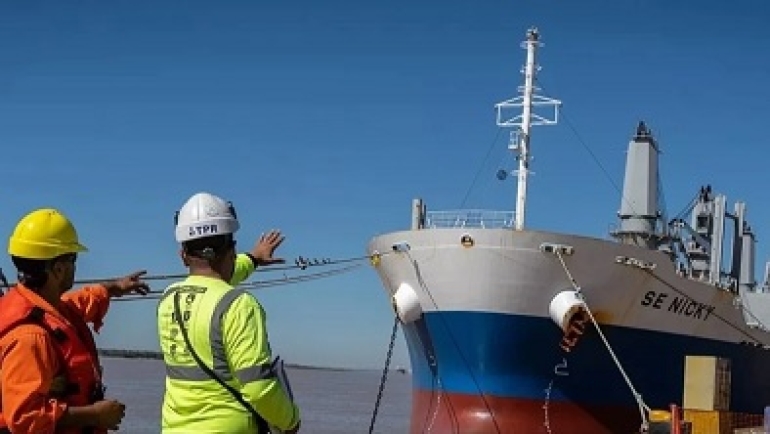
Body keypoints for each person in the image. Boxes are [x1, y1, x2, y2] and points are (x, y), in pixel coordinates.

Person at [157, 192, 300, 434]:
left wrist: (253, 259)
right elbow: (258, 388)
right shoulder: (238, 305)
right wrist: (290, 421)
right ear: (232, 249)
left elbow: (210, 281)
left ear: (183, 255)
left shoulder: (168, 299)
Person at [0, 208, 150, 433]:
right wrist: (95, 415)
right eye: (73, 259)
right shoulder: (29, 338)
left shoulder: (42, 306)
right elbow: (24, 417)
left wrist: (114, 288)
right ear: (58, 269)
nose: (75, 267)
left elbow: (79, 302)